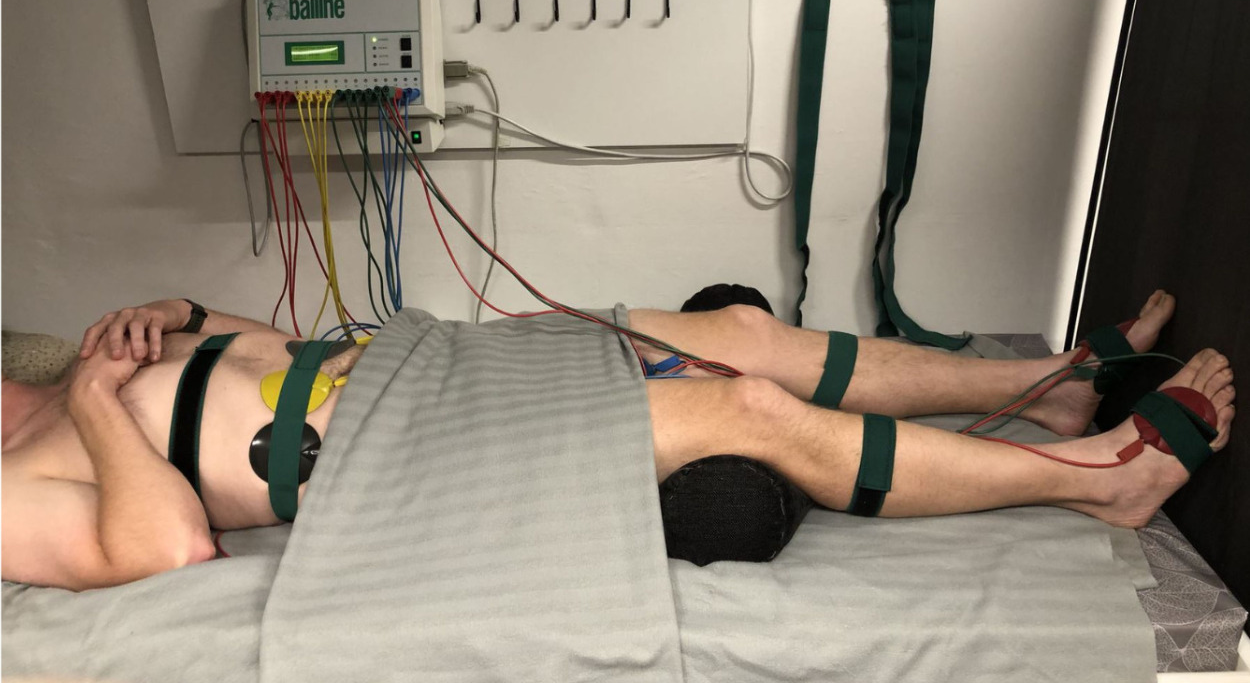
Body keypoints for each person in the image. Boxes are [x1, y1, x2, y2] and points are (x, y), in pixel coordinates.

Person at [0, 291, 1235, 591]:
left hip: (418, 360)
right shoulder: (11, 490)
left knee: (738, 336)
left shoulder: (73, 360)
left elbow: (272, 343)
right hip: (401, 450)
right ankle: (1099, 481)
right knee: (747, 414)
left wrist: (175, 314)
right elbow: (166, 548)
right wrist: (104, 406)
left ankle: (1048, 386)